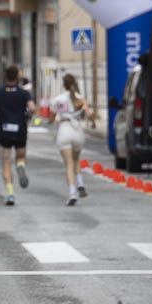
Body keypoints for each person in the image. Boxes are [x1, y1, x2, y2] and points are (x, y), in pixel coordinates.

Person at [0, 65, 36, 206]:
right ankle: (21, 166)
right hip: (20, 130)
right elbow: (32, 108)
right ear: (17, 77)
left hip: (4, 132)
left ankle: (10, 193)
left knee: (5, 163)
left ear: (5, 77)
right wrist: (28, 116)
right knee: (20, 157)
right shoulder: (23, 93)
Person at [51, 73, 90, 206]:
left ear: (63, 85)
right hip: (77, 131)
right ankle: (81, 184)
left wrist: (53, 120)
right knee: (76, 160)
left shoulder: (58, 100)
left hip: (64, 129)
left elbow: (51, 118)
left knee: (68, 164)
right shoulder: (80, 98)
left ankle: (72, 193)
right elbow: (88, 114)